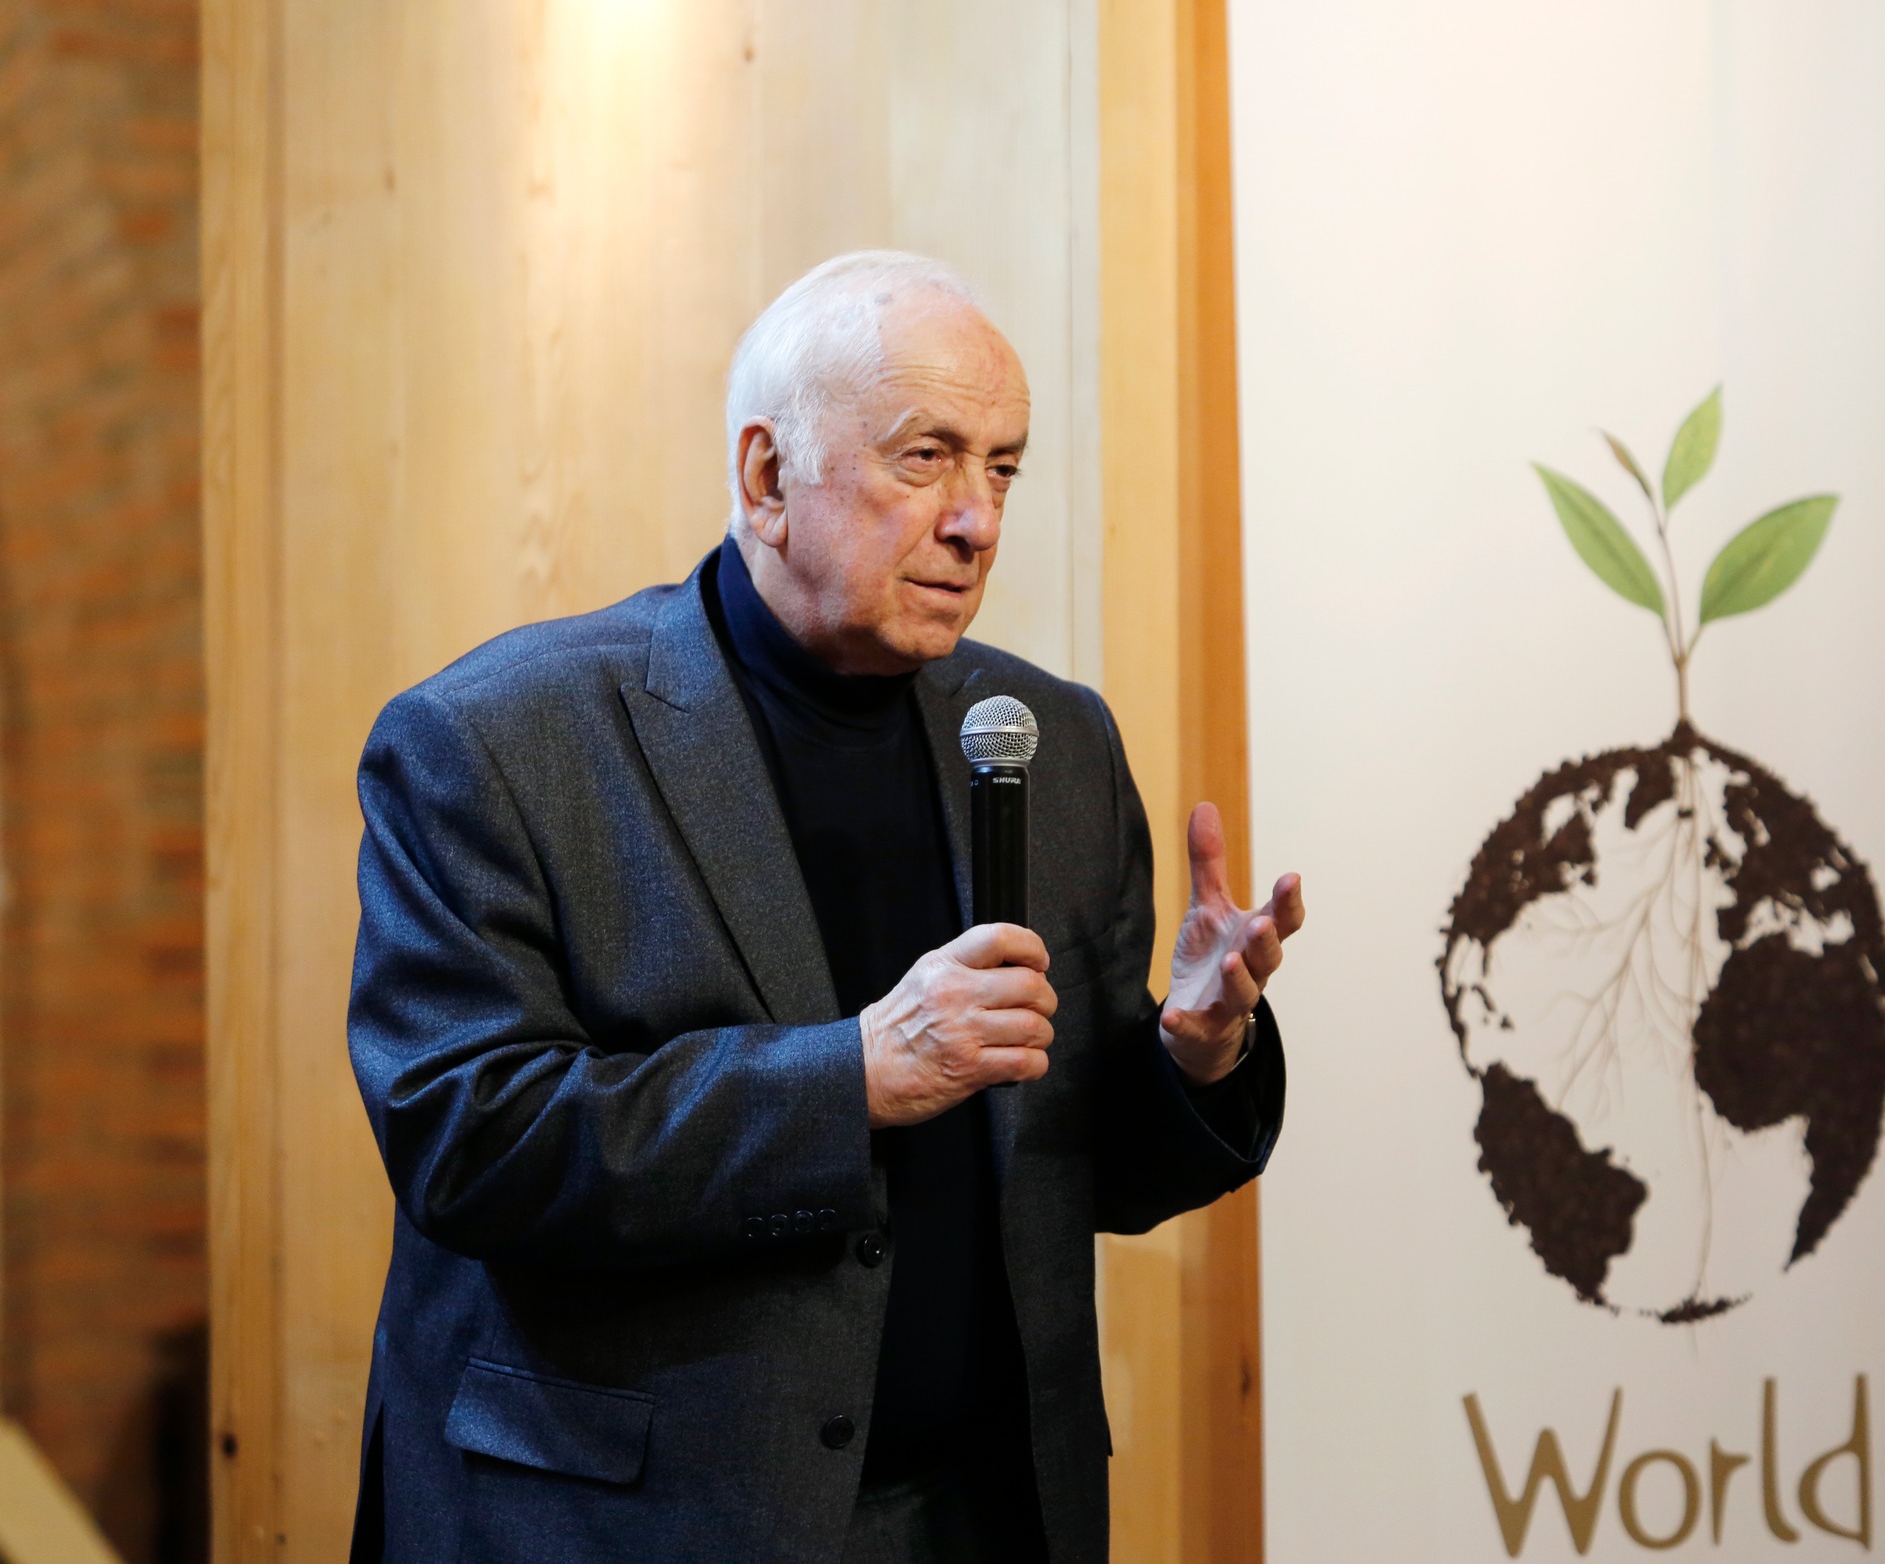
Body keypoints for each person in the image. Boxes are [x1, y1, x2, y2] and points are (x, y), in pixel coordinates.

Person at [345, 251, 1304, 1563]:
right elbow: (471, 1140)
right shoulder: (498, 740)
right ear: (765, 476)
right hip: (636, 1526)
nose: (978, 521)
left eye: (1003, 468)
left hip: (985, 1515)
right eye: (927, 458)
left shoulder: (1053, 742)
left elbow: (1074, 1176)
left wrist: (1194, 1056)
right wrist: (850, 1078)